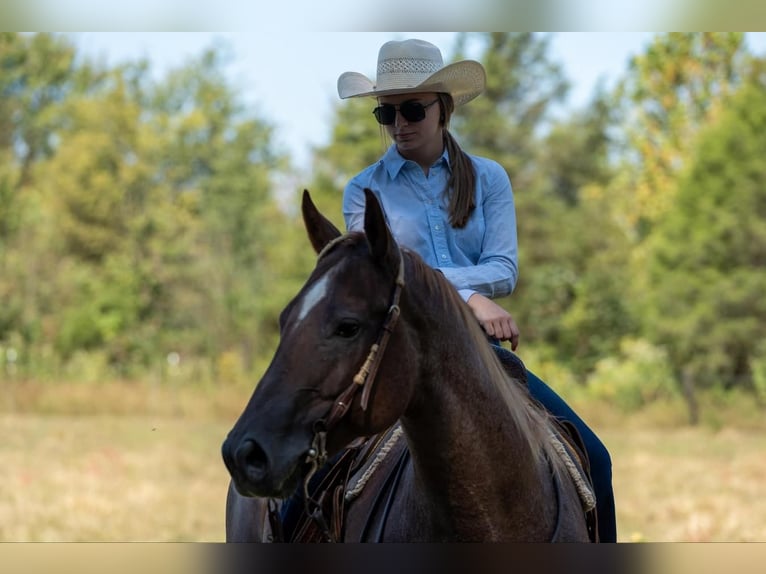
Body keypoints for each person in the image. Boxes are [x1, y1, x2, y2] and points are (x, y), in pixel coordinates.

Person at [337, 38, 617, 542]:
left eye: (413, 109)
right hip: (396, 353)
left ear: (442, 109)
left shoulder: (488, 179)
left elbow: (504, 268)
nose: (400, 123)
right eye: (387, 112)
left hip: (480, 353)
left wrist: (447, 288)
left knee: (595, 458)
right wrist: (467, 297)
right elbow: (381, 276)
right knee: (309, 472)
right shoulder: (363, 190)